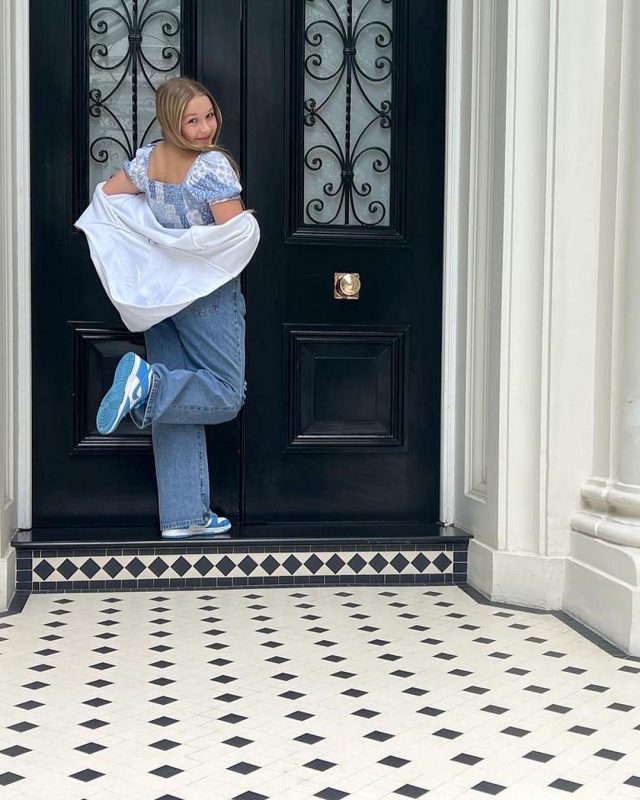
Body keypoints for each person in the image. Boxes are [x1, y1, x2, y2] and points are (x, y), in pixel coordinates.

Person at [95, 76, 250, 540]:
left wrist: (157, 242)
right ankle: (147, 383)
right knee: (225, 393)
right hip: (207, 293)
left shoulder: (148, 161)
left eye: (209, 115)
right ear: (171, 120)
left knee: (174, 403)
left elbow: (107, 196)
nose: (205, 128)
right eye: (192, 119)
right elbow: (234, 234)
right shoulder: (212, 168)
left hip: (161, 295)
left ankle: (184, 517)